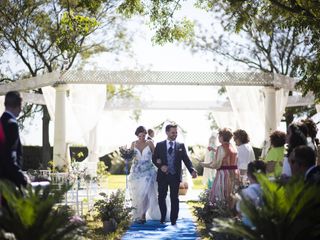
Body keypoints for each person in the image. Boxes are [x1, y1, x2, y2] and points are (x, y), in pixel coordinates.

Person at [152, 123, 197, 225]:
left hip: (175, 176)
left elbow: (186, 160)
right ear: (167, 132)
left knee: (174, 198)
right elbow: (154, 158)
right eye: (172, 132)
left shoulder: (180, 146)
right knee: (161, 197)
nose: (175, 134)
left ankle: (173, 219)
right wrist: (161, 166)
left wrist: (192, 170)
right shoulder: (159, 145)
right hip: (162, 176)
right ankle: (163, 217)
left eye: (176, 132)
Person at [128, 126, 160, 224]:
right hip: (136, 172)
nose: (142, 137)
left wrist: (159, 161)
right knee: (138, 193)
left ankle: (143, 215)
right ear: (137, 135)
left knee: (146, 193)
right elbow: (130, 157)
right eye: (140, 135)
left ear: (146, 134)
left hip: (148, 171)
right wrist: (126, 157)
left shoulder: (150, 143)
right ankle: (139, 213)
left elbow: (156, 155)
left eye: (144, 135)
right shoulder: (133, 144)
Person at [0, 91, 28, 188]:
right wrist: (21, 177)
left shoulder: (2, 121)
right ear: (19, 105)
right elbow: (10, 156)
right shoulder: (12, 124)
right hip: (8, 180)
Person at [207, 128, 239, 206]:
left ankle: (219, 212)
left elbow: (216, 164)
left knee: (220, 194)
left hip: (222, 174)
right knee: (230, 193)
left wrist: (205, 165)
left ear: (222, 137)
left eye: (219, 136)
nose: (218, 138)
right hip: (233, 173)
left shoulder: (220, 148)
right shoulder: (233, 148)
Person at [236, 160, 266, 227]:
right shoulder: (269, 190)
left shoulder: (246, 192)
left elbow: (239, 211)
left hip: (249, 227)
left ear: (248, 174)